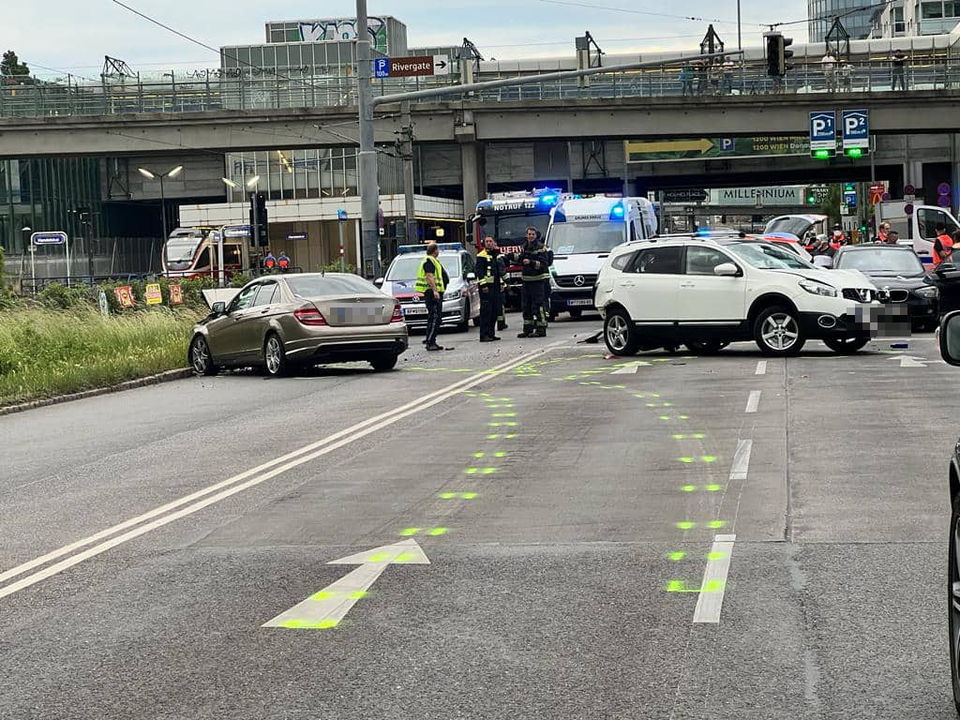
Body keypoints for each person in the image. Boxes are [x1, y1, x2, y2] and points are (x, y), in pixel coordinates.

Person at [508, 227, 550, 338]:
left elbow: (543, 264)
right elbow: (520, 258)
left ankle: (541, 329)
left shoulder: (541, 248)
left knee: (538, 305)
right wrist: (510, 256)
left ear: (536, 235)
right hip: (526, 281)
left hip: (537, 281)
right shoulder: (524, 246)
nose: (531, 236)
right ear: (526, 235)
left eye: (533, 234)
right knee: (526, 306)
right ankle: (528, 329)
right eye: (529, 234)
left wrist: (531, 262)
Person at [415, 242, 449, 351]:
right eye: (437, 249)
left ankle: (431, 340)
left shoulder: (432, 260)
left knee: (433, 317)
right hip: (432, 293)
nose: (438, 251)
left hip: (433, 292)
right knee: (435, 317)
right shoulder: (429, 261)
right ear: (435, 250)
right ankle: (430, 342)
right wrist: (435, 291)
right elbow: (429, 276)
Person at [475, 236, 503, 343]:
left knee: (494, 311)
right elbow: (480, 272)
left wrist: (501, 283)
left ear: (494, 243)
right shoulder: (481, 256)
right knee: (486, 312)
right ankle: (484, 335)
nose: (489, 243)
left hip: (495, 287)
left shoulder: (495, 255)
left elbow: (498, 272)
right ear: (484, 243)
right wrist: (483, 286)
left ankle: (491, 333)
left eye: (490, 241)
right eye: (487, 241)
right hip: (486, 288)